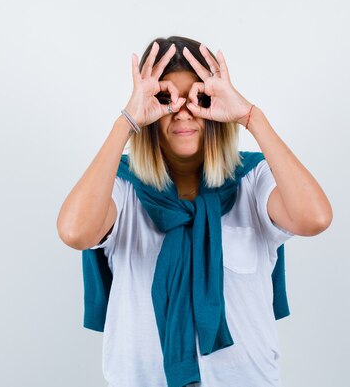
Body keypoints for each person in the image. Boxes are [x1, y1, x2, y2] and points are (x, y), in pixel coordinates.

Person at [56, 36, 333, 387]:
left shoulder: (253, 180)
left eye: (199, 98)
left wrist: (251, 117)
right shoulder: (121, 186)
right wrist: (126, 121)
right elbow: (75, 232)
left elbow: (315, 218)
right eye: (165, 99)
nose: (184, 111)